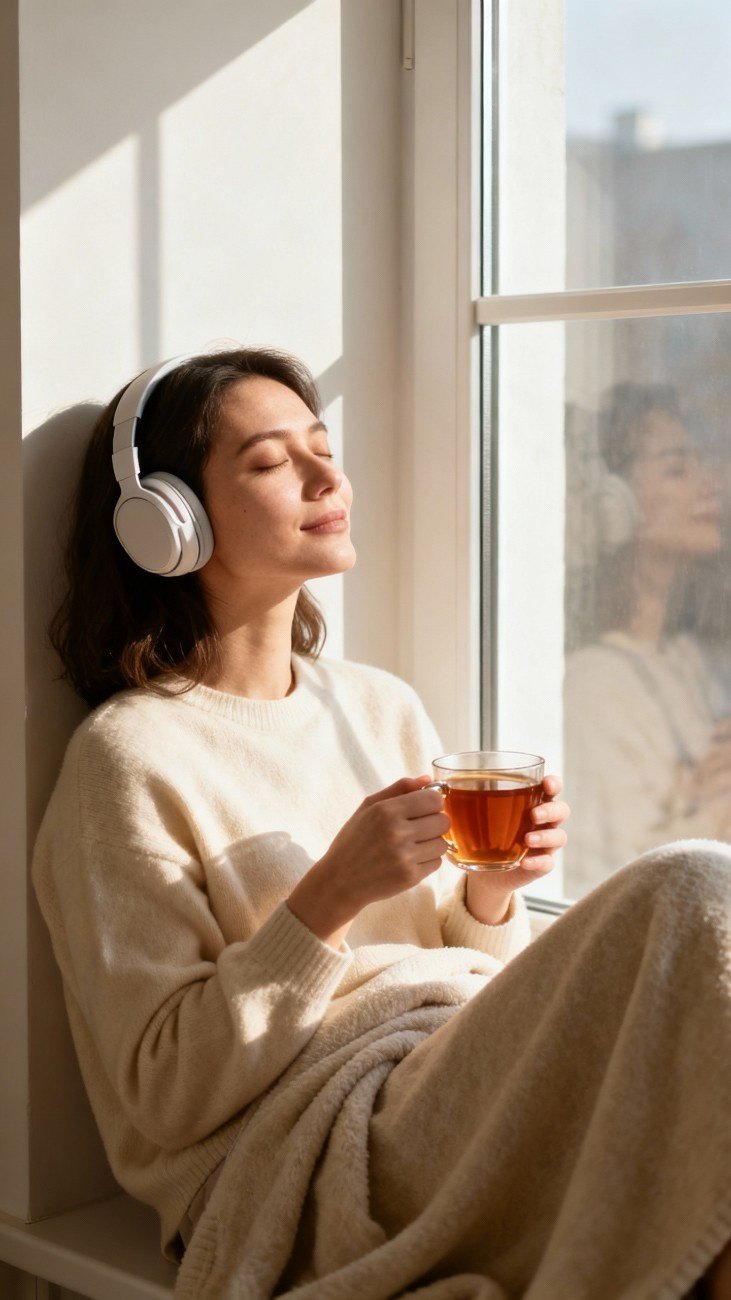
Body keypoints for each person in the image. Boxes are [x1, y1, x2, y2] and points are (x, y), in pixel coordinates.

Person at [32, 350, 731, 1298]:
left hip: (445, 1073)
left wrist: (490, 893)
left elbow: (461, 957)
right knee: (692, 885)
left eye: (324, 448)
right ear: (169, 521)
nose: (328, 479)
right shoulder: (127, 759)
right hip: (314, 1145)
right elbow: (162, 1095)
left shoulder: (375, 706)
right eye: (275, 462)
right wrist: (328, 897)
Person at [564, 382, 731, 895]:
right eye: (676, 469)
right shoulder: (595, 683)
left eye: (701, 463)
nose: (711, 484)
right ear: (614, 504)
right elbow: (609, 891)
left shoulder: (687, 656)